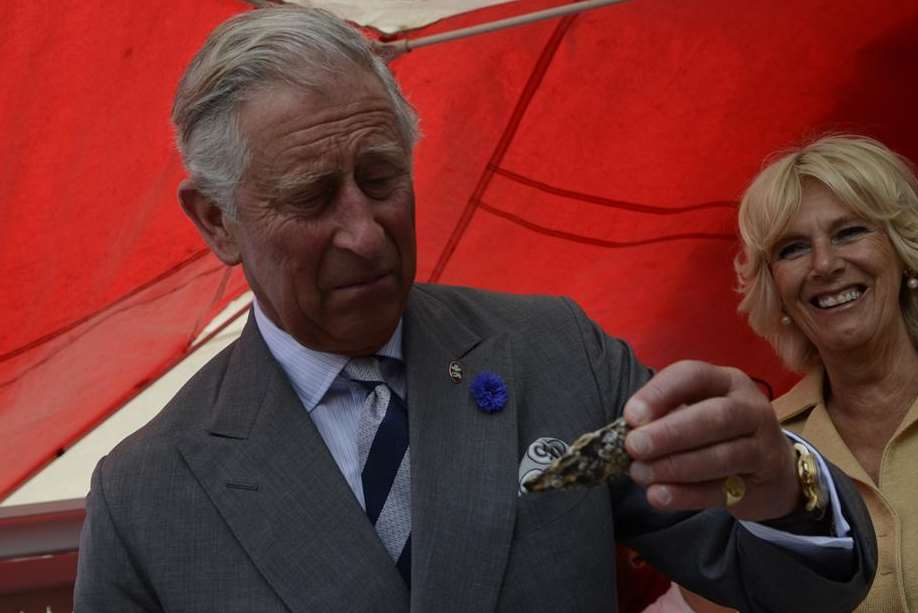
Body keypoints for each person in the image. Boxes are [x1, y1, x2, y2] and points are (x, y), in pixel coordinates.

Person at [74, 7, 876, 612]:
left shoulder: (558, 354)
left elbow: (804, 588)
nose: (363, 231)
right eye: (312, 197)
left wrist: (781, 481)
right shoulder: (148, 493)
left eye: (382, 177)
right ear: (217, 220)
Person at [735, 134, 918, 611]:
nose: (824, 264)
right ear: (776, 287)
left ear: (903, 251)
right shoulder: (760, 450)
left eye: (850, 232)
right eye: (793, 249)